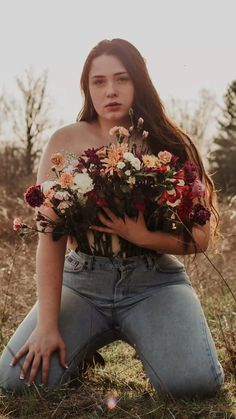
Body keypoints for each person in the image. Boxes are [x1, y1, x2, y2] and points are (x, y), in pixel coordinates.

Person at [0, 38, 224, 399]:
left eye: (122, 79)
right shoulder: (64, 142)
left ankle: (150, 336)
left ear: (139, 81)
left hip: (154, 282)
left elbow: (201, 238)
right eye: (99, 82)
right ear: (87, 89)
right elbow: (49, 237)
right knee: (17, 383)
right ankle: (82, 348)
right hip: (82, 282)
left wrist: (141, 235)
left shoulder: (170, 144)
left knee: (193, 384)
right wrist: (47, 326)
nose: (111, 91)